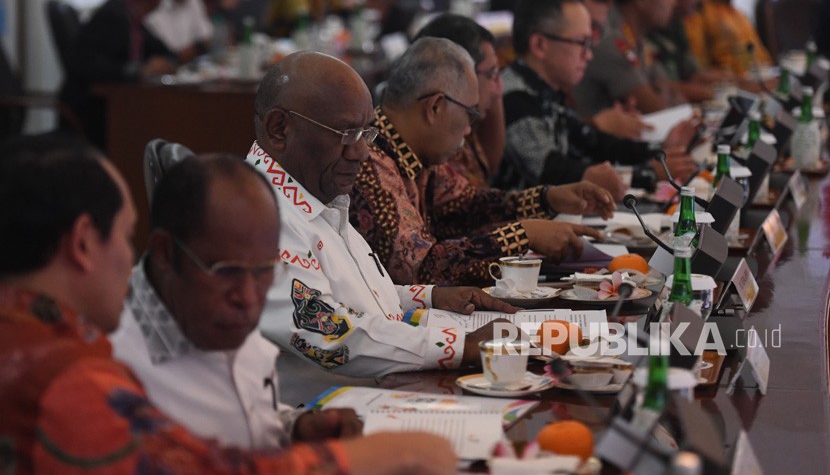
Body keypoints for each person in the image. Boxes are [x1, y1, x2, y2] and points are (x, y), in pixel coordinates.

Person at [0, 132, 456, 474]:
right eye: (123, 235)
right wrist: (383, 454)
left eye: (264, 273)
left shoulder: (49, 334)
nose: (248, 297)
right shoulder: (63, 372)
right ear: (82, 243)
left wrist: (290, 429)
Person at [248, 52, 519, 400]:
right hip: (320, 420)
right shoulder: (256, 216)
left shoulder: (314, 195)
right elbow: (328, 333)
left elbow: (355, 299)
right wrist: (459, 345)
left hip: (378, 397)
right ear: (279, 128)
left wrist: (430, 296)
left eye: (366, 133)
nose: (361, 152)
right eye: (346, 133)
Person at [111, 154, 364, 449]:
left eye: (264, 270)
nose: (247, 297)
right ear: (165, 253)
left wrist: (296, 427)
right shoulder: (110, 361)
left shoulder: (217, 315)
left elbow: (241, 416)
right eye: (226, 271)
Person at [350, 36, 614, 286]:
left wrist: (548, 199)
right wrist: (522, 235)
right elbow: (422, 271)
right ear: (435, 107)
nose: (469, 130)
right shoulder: (369, 161)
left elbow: (466, 207)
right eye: (470, 114)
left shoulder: (414, 153)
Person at [494, 0, 698, 200]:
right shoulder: (514, 96)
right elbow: (551, 172)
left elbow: (592, 143)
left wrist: (660, 149)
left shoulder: (544, 90)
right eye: (582, 42)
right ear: (540, 45)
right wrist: (647, 174)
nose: (589, 55)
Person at [59, 0, 177, 150]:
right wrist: (139, 70)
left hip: (117, 111)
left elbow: (166, 53)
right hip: (93, 115)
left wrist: (163, 62)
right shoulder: (112, 17)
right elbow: (86, 65)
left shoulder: (132, 16)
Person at [572, 0, 680, 118]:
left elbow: (672, 93)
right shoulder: (610, 41)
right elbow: (658, 112)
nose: (674, 1)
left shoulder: (638, 40)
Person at [552, 0, 653, 141]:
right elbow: (546, 158)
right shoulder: (520, 93)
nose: (590, 50)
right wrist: (597, 126)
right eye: (586, 31)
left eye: (597, 29)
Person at [413, 13, 505, 187]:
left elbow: (487, 171)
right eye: (492, 74)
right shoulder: (436, 143)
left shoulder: (463, 117)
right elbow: (473, 206)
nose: (499, 88)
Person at [649, 0, 726, 102]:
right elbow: (659, 86)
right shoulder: (643, 27)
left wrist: (743, 84)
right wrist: (726, 95)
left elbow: (694, 75)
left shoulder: (675, 24)